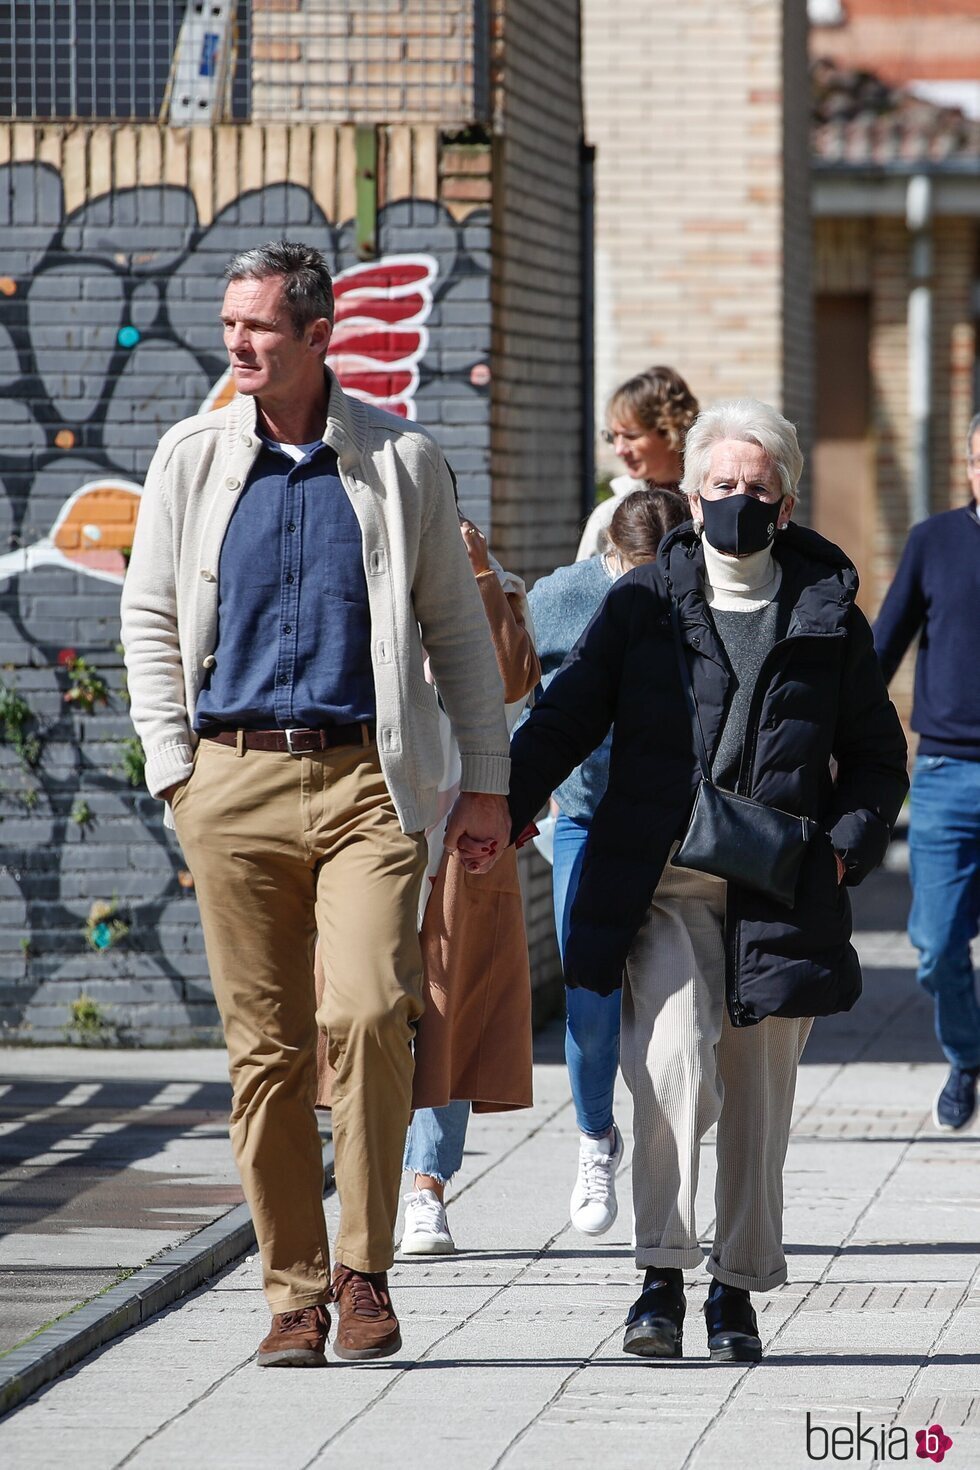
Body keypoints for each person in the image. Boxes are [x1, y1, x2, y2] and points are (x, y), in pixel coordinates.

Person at [120, 241, 512, 1369]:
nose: (237, 344)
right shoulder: (191, 457)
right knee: (266, 1050)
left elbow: (457, 636)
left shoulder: (400, 461)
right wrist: (173, 768)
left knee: (367, 1012)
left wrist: (482, 782)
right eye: (229, 324)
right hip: (228, 781)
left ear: (317, 336)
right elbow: (149, 618)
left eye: (259, 328)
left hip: (366, 783)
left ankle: (365, 1268)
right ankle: (292, 1292)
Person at [497, 400, 908, 1362]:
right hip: (665, 879)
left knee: (757, 1097)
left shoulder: (827, 611)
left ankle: (737, 1291)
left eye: (756, 489)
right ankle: (660, 1279)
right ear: (689, 494)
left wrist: (844, 847)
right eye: (720, 486)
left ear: (788, 502)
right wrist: (504, 800)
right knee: (673, 1060)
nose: (737, 501)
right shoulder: (640, 603)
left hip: (780, 886)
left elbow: (878, 757)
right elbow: (564, 714)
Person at [528, 489, 688, 1238]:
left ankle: (680, 1168)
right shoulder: (562, 599)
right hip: (587, 821)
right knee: (590, 1008)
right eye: (635, 575)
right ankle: (597, 1139)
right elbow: (531, 700)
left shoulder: (702, 593)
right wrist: (526, 792)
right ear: (610, 559)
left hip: (677, 825)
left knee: (681, 1014)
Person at [392, 516, 540, 1254]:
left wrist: (480, 575)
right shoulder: (376, 579)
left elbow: (514, 681)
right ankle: (368, 1169)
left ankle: (426, 1188)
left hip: (465, 834)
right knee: (375, 1006)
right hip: (381, 819)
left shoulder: (500, 587)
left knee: (446, 1009)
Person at [873, 411, 980, 1131]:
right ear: (969, 463)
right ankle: (967, 1056)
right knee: (937, 947)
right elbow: (880, 650)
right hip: (946, 775)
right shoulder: (934, 541)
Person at [576, 366, 698, 560]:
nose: (619, 449)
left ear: (670, 430)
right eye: (612, 437)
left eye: (631, 436)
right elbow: (583, 586)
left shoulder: (713, 502)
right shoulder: (610, 515)